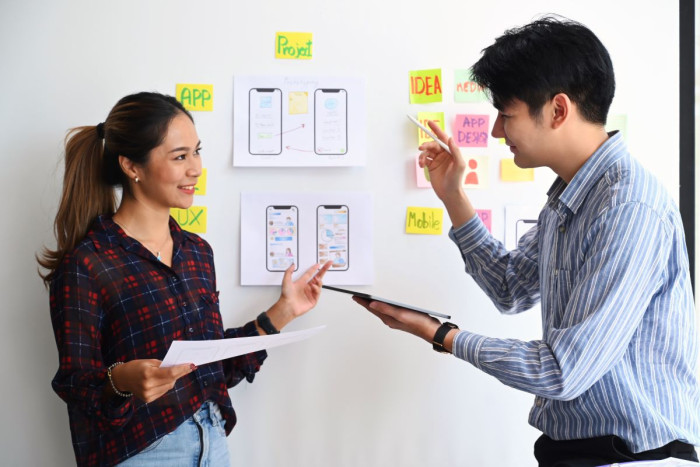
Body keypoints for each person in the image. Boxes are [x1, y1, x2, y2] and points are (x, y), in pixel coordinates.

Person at [353, 17, 700, 466]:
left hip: (633, 456)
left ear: (557, 110)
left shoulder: (628, 208)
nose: (498, 132)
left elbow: (564, 370)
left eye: (506, 114)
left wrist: (441, 334)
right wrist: (453, 195)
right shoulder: (569, 196)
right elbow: (511, 288)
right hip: (578, 450)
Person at [38, 92, 332, 466]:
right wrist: (122, 380)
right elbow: (76, 385)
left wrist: (284, 310)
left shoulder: (196, 252)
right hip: (143, 452)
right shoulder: (88, 263)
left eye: (197, 151)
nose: (196, 168)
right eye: (180, 156)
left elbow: (211, 365)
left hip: (213, 441)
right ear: (132, 167)